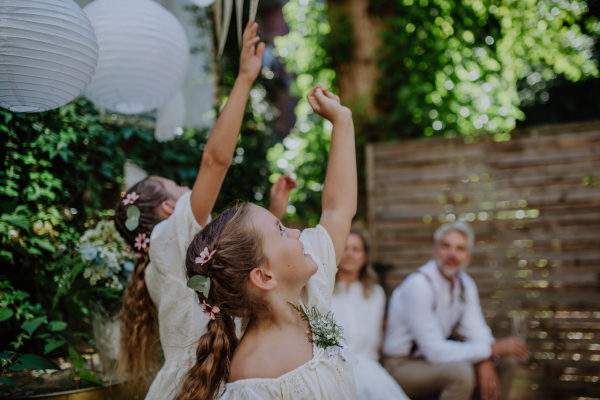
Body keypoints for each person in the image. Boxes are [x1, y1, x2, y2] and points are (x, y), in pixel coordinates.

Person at [113, 21, 294, 400]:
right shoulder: (170, 236)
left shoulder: (169, 255)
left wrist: (275, 211)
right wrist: (244, 78)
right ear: (168, 206)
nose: (188, 190)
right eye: (178, 187)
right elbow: (215, 160)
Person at [173, 84, 357, 400]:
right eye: (282, 231)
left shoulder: (311, 294)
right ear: (264, 277)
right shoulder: (252, 378)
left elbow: (339, 208)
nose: (298, 232)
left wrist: (342, 121)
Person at [381, 221, 529, 400]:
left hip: (433, 361)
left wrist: (486, 357)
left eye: (460, 248)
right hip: (401, 366)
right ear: (435, 250)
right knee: (461, 372)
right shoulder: (419, 285)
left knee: (507, 362)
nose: (452, 254)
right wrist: (490, 349)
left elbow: (477, 331)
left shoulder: (465, 284)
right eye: (446, 246)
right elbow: (434, 351)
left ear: (469, 257)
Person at [332, 230, 409, 400]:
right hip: (331, 367)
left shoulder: (376, 294)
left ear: (365, 256)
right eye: (344, 248)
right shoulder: (324, 291)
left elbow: (375, 338)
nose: (349, 253)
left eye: (356, 249)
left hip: (367, 366)